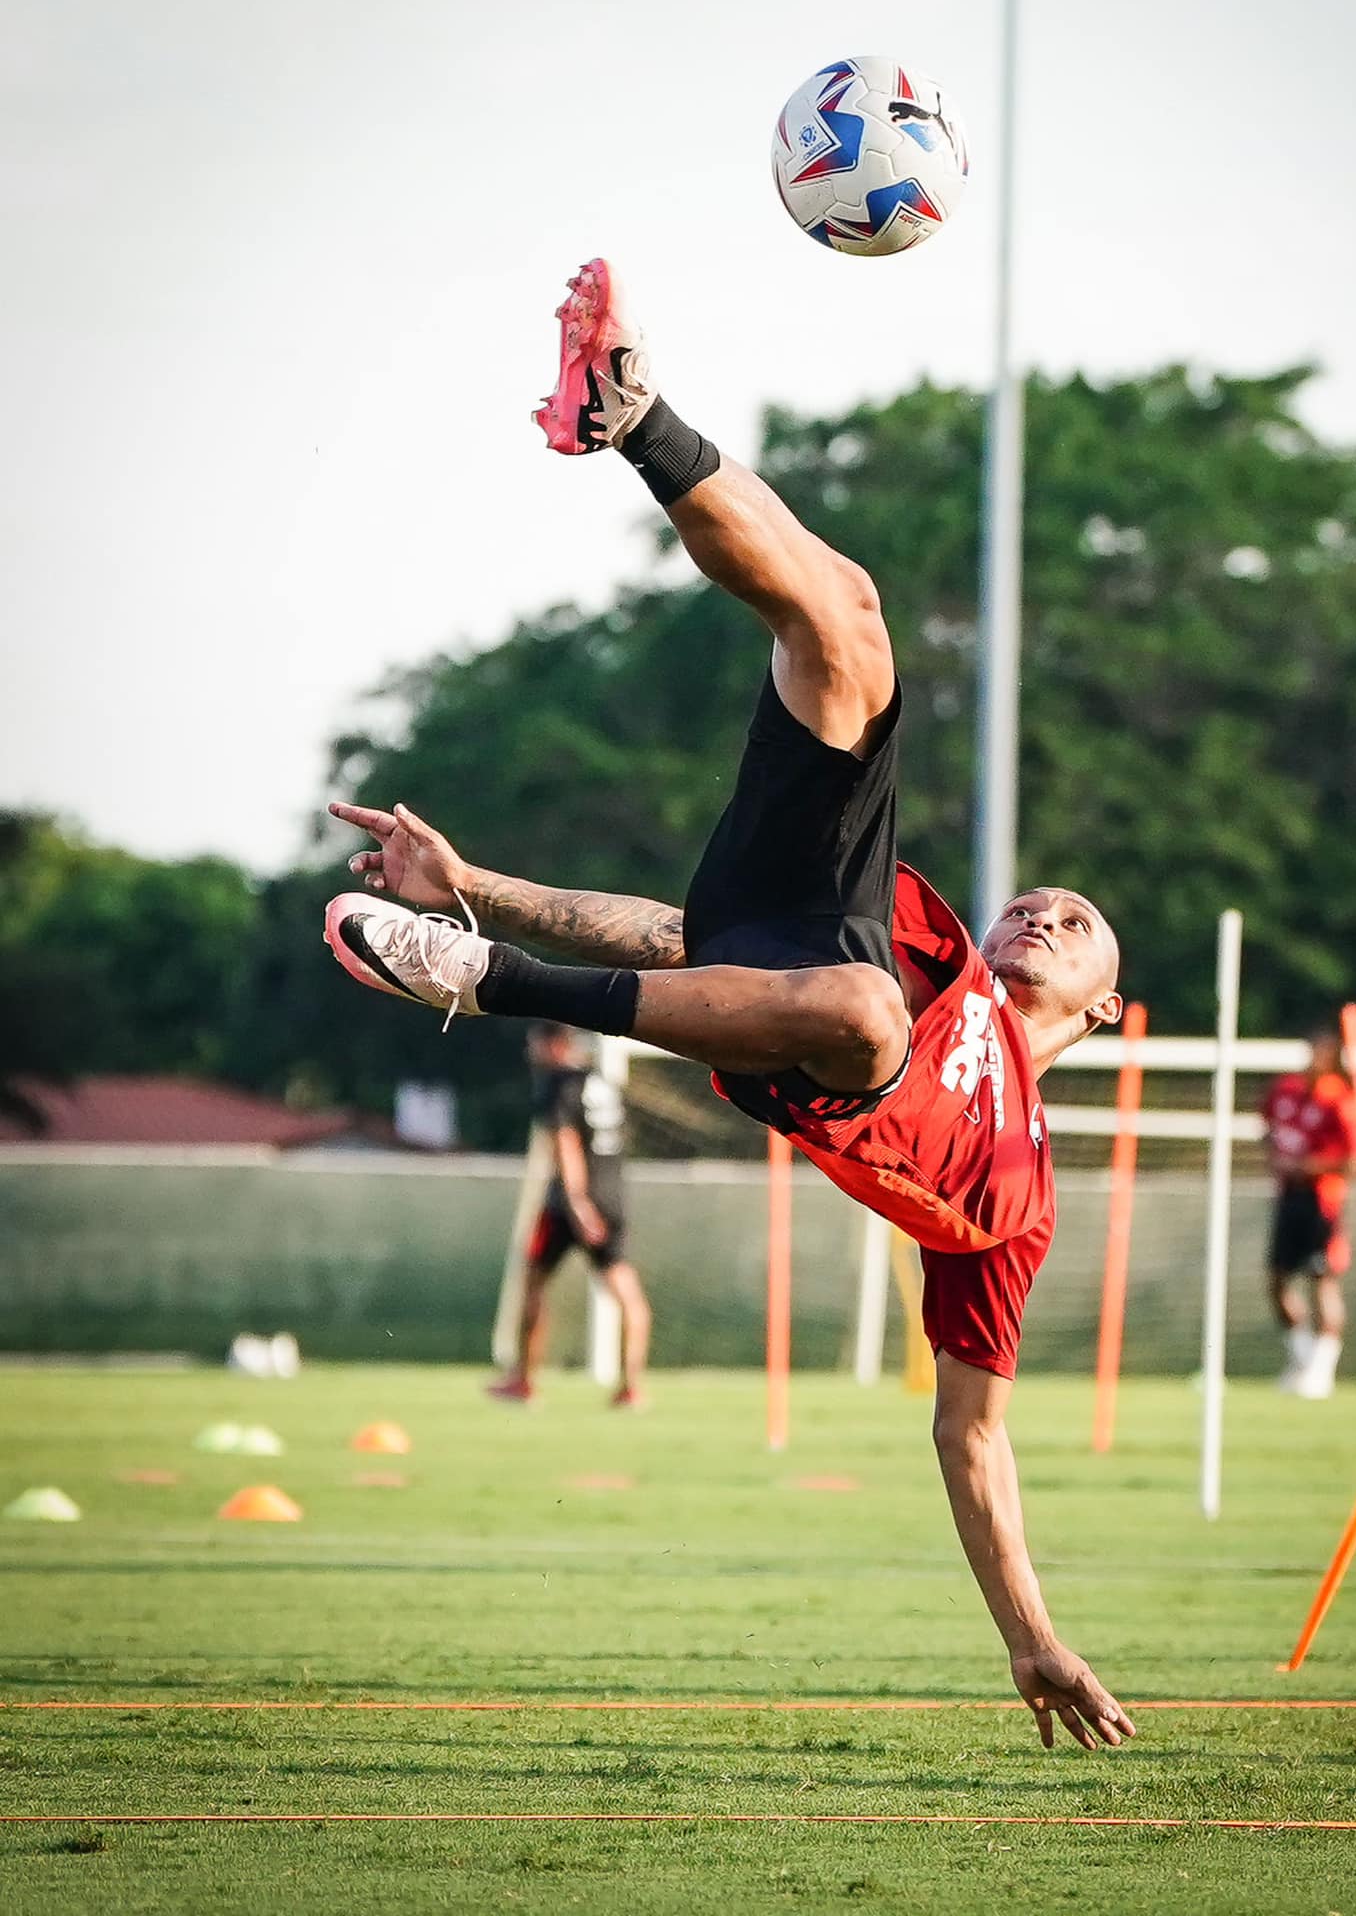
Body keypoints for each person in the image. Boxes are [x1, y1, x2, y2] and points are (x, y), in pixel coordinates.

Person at [323, 258, 1133, 1753]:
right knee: (849, 619)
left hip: (829, 1046)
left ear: (1105, 1009)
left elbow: (971, 1435)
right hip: (806, 952)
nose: (1043, 911)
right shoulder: (930, 935)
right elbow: (678, 934)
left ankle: (484, 994)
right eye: (1043, 897)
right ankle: (629, 412)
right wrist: (474, 882)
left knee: (863, 1017)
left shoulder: (1016, 1202)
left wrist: (1032, 1639)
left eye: (1075, 926)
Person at [488, 1023, 651, 1409]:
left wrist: (577, 1201)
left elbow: (566, 1141)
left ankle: (524, 1381)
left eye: (536, 1045)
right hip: (612, 1196)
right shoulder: (604, 1083)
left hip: (569, 1204)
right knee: (628, 1294)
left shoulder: (558, 1084)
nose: (532, 1053)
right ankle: (631, 1388)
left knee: (533, 1283)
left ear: (556, 1044)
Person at [1261, 1028, 1356, 1398]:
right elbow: (1269, 1130)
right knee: (1277, 1280)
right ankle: (1302, 1358)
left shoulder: (1340, 1099)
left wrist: (1307, 1166)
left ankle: (1322, 1369)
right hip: (1288, 1198)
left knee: (1323, 1279)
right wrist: (1276, 1157)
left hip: (1323, 1201)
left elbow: (1352, 1158)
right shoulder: (1286, 1090)